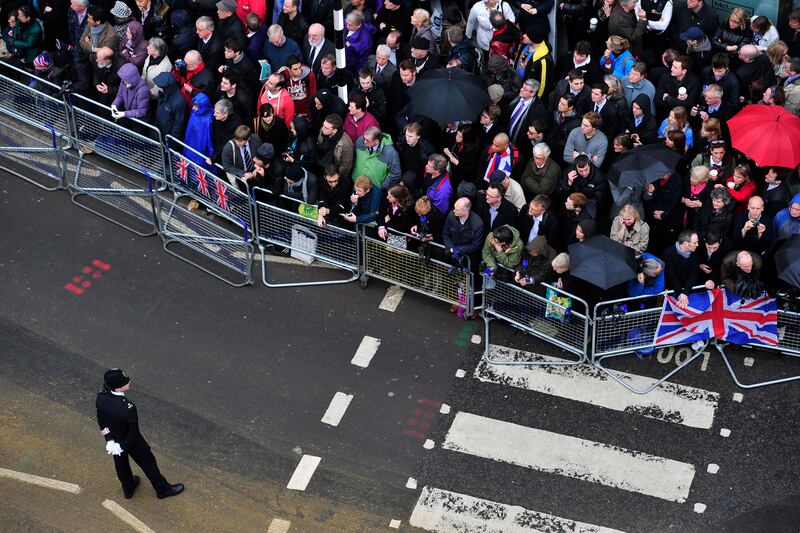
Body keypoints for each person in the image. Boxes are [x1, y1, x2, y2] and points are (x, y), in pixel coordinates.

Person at [96, 368, 184, 500]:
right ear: (119, 389)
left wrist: (109, 440)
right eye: (126, 381)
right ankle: (163, 490)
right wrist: (124, 446)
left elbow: (101, 420)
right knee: (149, 463)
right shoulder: (128, 408)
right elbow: (133, 432)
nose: (129, 381)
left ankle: (128, 488)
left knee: (121, 465)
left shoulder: (101, 398)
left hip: (115, 441)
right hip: (132, 442)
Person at [352, 126, 401, 191]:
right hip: (356, 184)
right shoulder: (360, 141)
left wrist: (381, 186)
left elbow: (395, 173)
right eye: (364, 138)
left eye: (367, 140)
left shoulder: (390, 152)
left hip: (374, 189)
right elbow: (352, 157)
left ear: (376, 142)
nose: (364, 142)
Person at [662, 229, 700, 308]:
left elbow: (693, 275)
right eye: (695, 242)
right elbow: (671, 275)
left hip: (689, 289)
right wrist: (681, 294)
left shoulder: (696, 253)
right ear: (686, 243)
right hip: (673, 289)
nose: (697, 245)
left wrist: (685, 293)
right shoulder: (669, 253)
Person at [221, 124, 263, 191]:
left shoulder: (256, 139)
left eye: (240, 141)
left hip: (256, 175)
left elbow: (262, 155)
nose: (237, 143)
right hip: (242, 179)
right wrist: (243, 173)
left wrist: (257, 168)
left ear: (248, 138)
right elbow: (226, 165)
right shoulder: (228, 148)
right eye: (236, 140)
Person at [316, 113, 353, 179]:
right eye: (323, 125)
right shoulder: (323, 131)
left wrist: (334, 175)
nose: (323, 128)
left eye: (326, 128)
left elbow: (346, 165)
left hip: (333, 172)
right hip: (321, 164)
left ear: (334, 130)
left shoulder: (346, 143)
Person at [152, 72, 187, 139]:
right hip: (160, 131)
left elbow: (178, 124)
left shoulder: (179, 102)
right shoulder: (163, 93)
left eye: (161, 87)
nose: (159, 89)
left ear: (167, 87)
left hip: (169, 137)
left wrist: (171, 140)